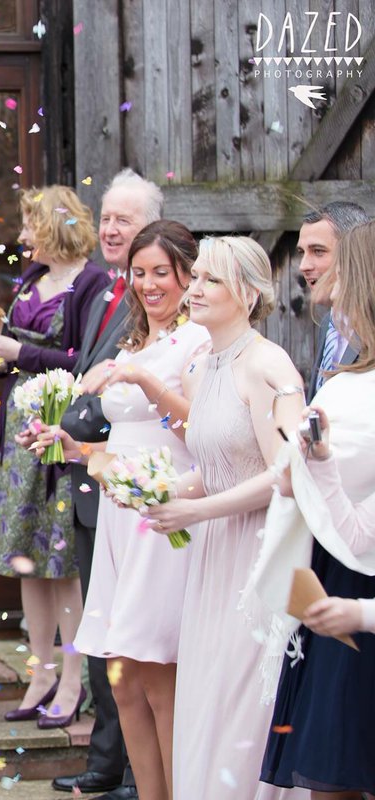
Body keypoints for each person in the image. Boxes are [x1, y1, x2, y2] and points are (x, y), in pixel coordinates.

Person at [37, 221, 209, 800]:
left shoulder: (197, 342)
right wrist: (73, 446)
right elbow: (121, 440)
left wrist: (143, 381)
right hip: (117, 518)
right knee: (124, 678)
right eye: (140, 273)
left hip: (163, 520)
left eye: (162, 272)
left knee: (160, 677)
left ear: (189, 274)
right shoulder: (136, 340)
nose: (149, 284)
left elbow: (199, 431)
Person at [142, 237, 305, 800]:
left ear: (249, 293)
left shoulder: (267, 365)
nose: (195, 289)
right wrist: (158, 490)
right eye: (198, 278)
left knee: (242, 711)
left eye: (211, 280)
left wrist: (197, 509)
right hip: (212, 562)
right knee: (206, 701)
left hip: (257, 560)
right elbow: (217, 469)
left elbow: (287, 473)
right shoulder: (204, 366)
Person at [0, 185, 110, 731]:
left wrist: (21, 352)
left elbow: (85, 358)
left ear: (53, 226)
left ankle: (74, 678)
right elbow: (15, 348)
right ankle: (41, 671)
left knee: (63, 566)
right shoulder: (30, 280)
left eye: (29, 226)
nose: (22, 237)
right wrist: (1, 361)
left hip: (59, 441)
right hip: (18, 438)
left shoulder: (92, 284)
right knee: (28, 562)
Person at [49, 167, 163, 799]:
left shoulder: (163, 304)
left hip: (139, 493)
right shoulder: (100, 293)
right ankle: (106, 762)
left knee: (137, 638)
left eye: (126, 218)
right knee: (102, 635)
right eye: (108, 217)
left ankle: (135, 774)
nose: (111, 228)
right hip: (94, 482)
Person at [260, 219, 375, 798]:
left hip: (358, 590)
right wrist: (318, 464)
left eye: (329, 260)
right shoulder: (349, 376)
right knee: (332, 772)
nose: (312, 270)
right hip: (344, 570)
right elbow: (358, 533)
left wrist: (363, 615)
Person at [296, 202, 370, 397]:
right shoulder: (328, 325)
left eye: (318, 251)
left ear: (353, 254)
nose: (303, 266)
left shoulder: (370, 326)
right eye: (301, 252)